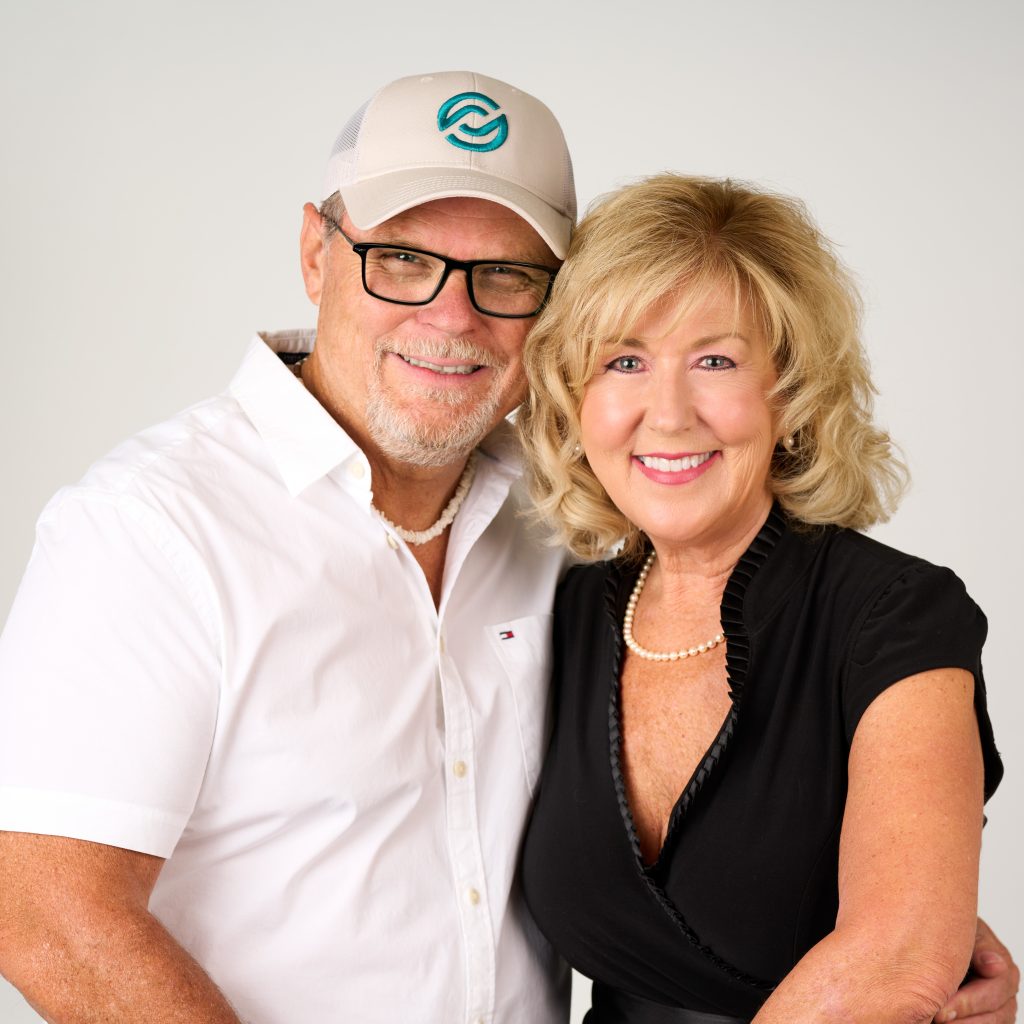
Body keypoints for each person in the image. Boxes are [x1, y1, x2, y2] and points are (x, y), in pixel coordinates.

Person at [0, 77, 1016, 1023]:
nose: (451, 316)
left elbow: (798, 837)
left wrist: (905, 910)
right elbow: (43, 910)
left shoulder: (555, 532)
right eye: (402, 259)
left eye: (506, 274)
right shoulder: (153, 527)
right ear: (316, 252)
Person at [516, 173, 1009, 1024]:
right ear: (575, 396)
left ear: (791, 391)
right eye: (624, 361)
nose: (668, 414)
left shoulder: (896, 616)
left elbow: (898, 960)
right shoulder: (564, 613)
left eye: (716, 361)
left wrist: (930, 926)